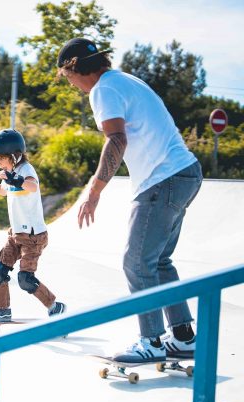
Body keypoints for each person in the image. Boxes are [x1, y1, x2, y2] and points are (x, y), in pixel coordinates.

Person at [57, 38, 202, 362]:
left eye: (68, 78)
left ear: (76, 68)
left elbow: (116, 140)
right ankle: (183, 338)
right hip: (185, 173)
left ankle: (151, 341)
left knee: (136, 263)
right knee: (158, 262)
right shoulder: (126, 80)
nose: (72, 85)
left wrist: (94, 191)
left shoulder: (103, 89)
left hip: (162, 178)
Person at [0, 129, 66, 322]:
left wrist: (14, 179)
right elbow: (3, 191)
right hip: (15, 235)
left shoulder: (26, 170)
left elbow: (32, 186)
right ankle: (3, 310)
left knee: (25, 279)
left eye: (0, 159)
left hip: (33, 237)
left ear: (14, 155)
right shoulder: (11, 172)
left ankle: (55, 306)